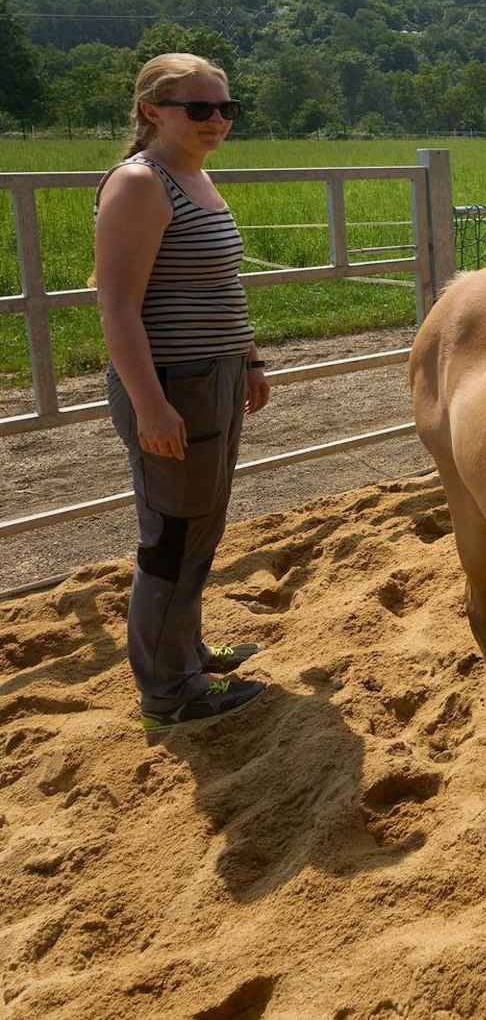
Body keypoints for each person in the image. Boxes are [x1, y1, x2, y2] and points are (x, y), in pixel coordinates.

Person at [93, 53, 271, 732]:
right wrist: (150, 404)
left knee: (202, 521)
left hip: (214, 375)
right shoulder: (141, 185)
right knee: (170, 534)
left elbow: (222, 283)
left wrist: (249, 356)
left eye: (225, 107)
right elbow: (115, 304)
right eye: (199, 108)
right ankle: (169, 691)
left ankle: (187, 652)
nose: (217, 119)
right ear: (151, 111)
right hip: (172, 382)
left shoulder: (195, 177)